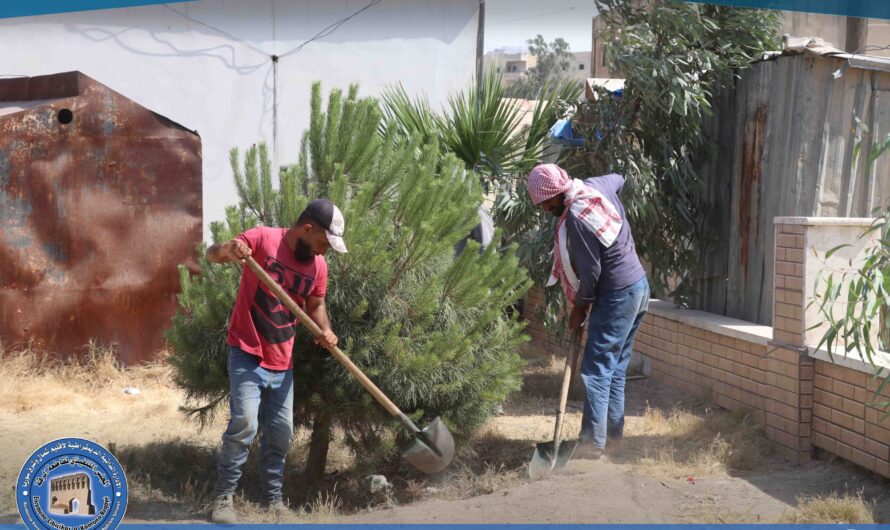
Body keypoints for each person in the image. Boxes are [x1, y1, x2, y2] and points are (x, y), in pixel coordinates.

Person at [207, 199, 347, 523]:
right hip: (247, 351)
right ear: (308, 229)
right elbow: (212, 254)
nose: (324, 251)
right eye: (324, 242)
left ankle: (273, 501)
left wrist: (326, 330)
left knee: (282, 433)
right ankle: (223, 498)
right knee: (245, 424)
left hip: (282, 362)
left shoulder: (319, 267)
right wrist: (231, 248)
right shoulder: (263, 239)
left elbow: (316, 306)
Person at [527, 164, 649, 459]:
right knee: (615, 369)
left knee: (595, 371)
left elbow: (591, 273)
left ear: (556, 192)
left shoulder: (579, 221)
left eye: (545, 202)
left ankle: (592, 447)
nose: (544, 209)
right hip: (639, 287)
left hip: (617, 296)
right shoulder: (595, 186)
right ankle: (613, 441)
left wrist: (579, 308)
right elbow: (619, 178)